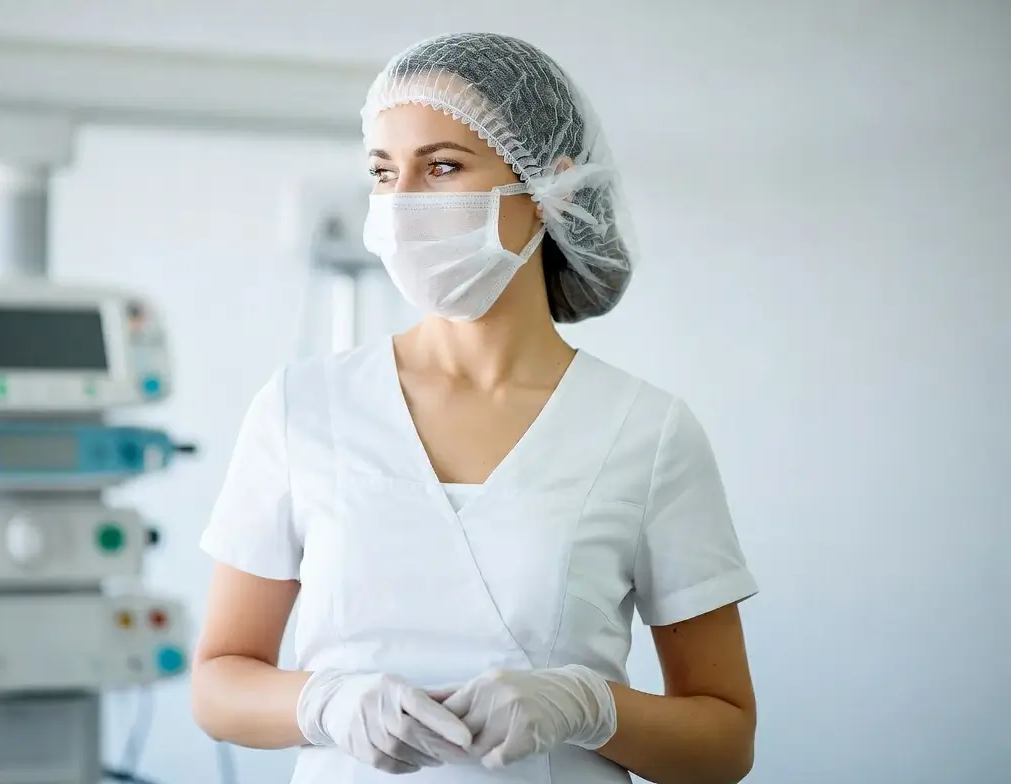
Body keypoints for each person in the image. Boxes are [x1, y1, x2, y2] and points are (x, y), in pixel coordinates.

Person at [192, 32, 758, 784]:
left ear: (552, 187)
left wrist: (592, 707)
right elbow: (218, 683)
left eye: (443, 167)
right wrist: (325, 703)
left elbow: (724, 743)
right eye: (383, 172)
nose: (401, 202)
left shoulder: (645, 432)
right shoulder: (302, 407)